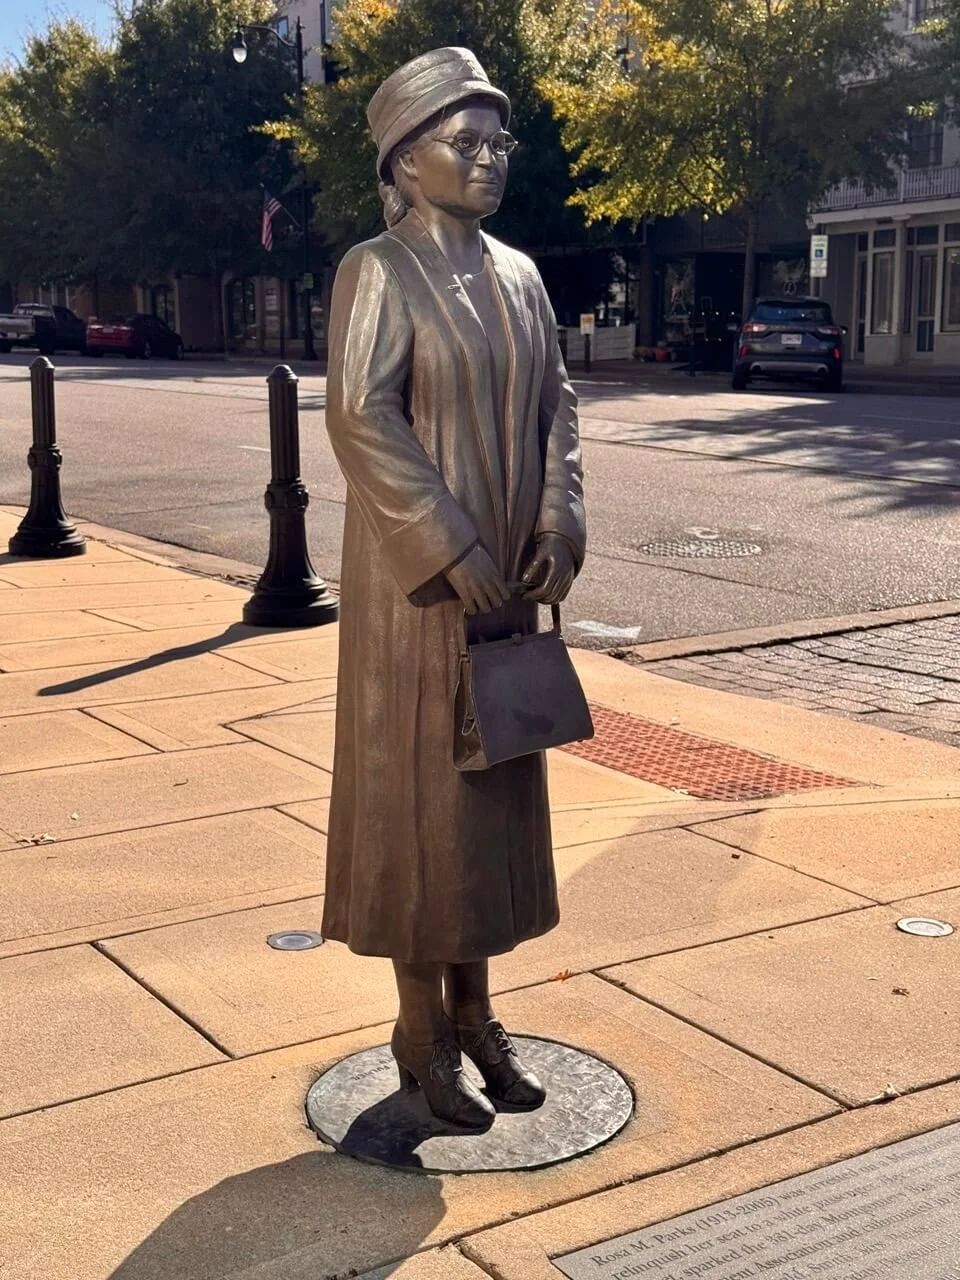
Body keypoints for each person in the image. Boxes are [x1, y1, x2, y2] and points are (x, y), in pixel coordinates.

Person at [323, 47, 586, 1131]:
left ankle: (479, 1010)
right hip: (416, 596)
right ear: (405, 159)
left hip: (508, 590)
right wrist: (445, 539)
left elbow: (557, 403)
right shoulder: (378, 268)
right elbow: (358, 413)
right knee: (421, 808)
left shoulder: (521, 273)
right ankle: (418, 1023)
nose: (489, 160)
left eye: (498, 144)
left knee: (486, 802)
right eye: (464, 143)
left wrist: (557, 515)